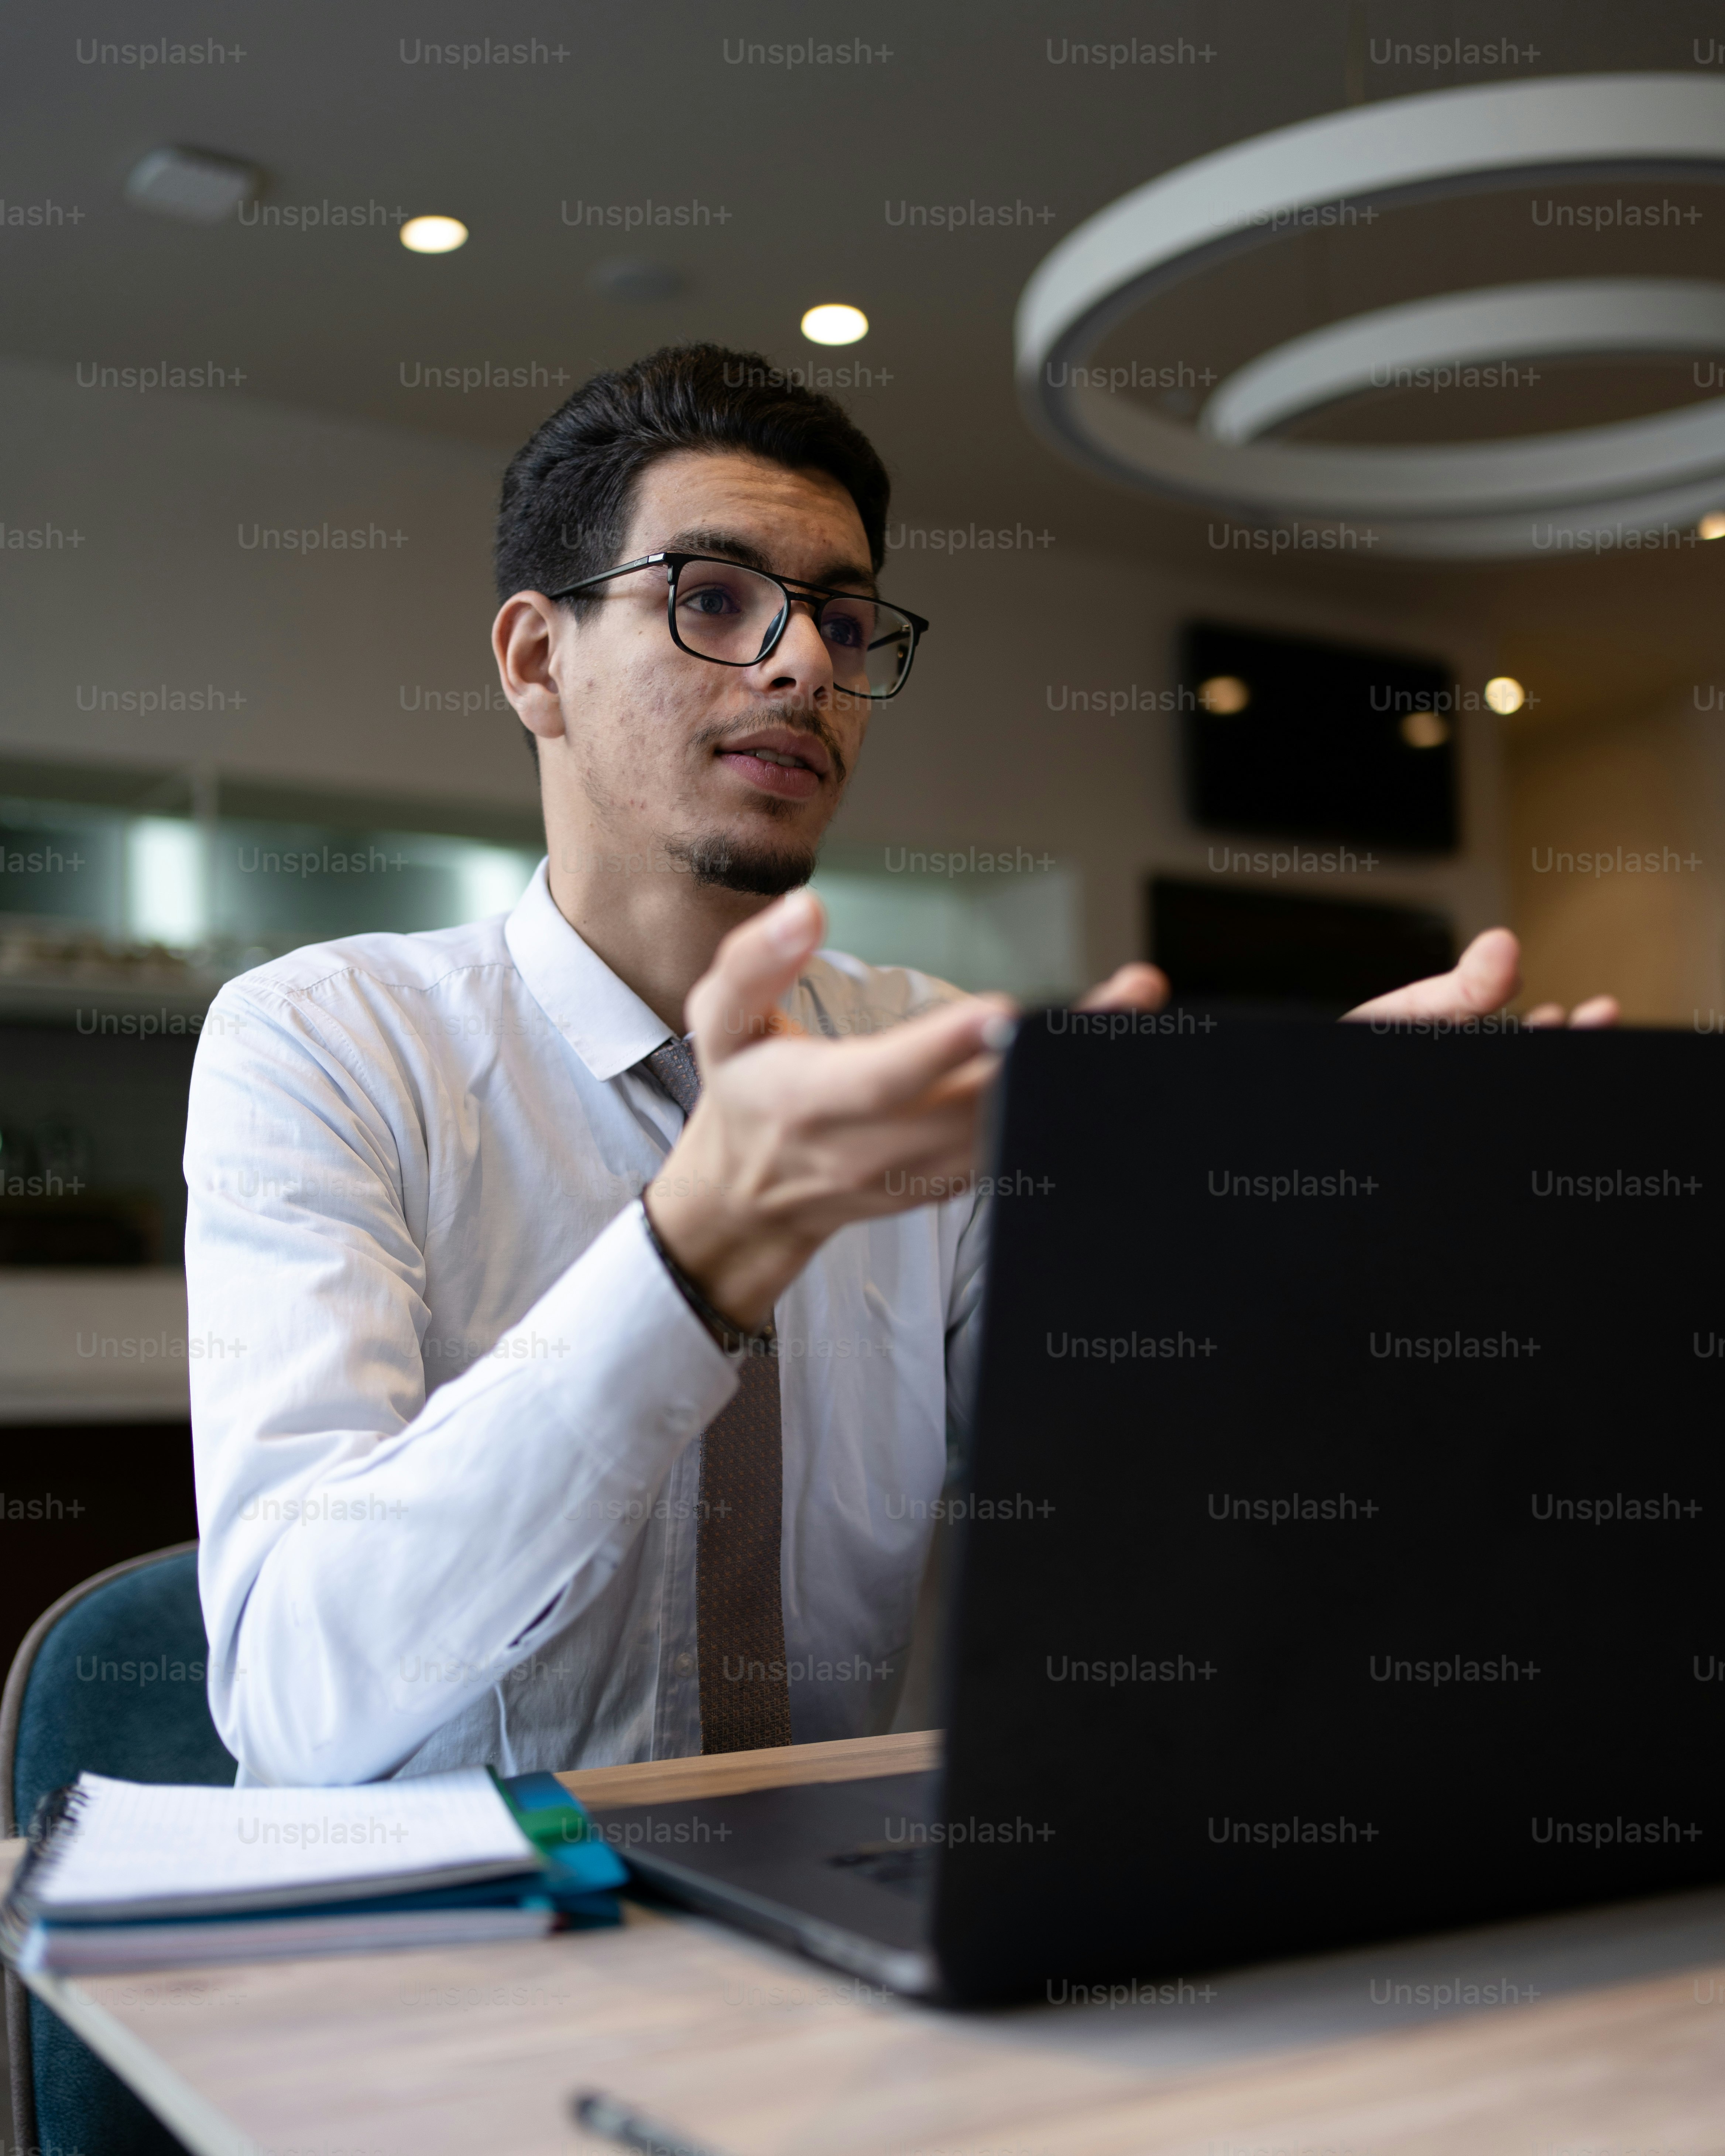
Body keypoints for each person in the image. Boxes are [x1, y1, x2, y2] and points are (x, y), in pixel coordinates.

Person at [184, 343, 1617, 1785]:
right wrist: (703, 1243)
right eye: (713, 598)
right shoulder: (324, 1039)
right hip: (428, 1946)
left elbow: (1128, 1509)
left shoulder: (924, 1051)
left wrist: (1318, 1216)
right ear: (536, 660)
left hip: (826, 1931)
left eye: (847, 622)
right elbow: (296, 1694)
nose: (806, 660)